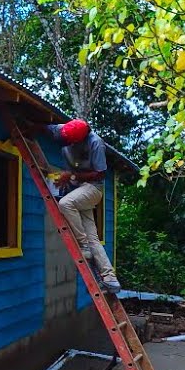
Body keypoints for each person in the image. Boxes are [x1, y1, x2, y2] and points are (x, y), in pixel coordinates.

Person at [44, 118, 121, 293]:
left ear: (80, 139)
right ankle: (110, 278)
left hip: (93, 190)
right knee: (94, 238)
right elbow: (47, 129)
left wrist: (71, 176)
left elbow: (100, 174)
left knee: (65, 203)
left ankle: (83, 245)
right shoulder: (66, 130)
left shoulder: (96, 143)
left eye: (71, 142)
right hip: (79, 191)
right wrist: (32, 128)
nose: (67, 144)